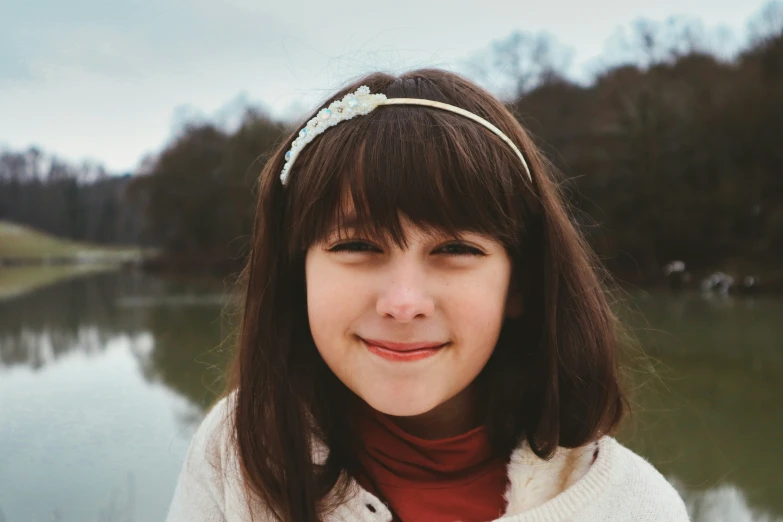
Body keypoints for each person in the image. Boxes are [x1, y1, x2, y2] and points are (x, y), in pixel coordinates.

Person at [165, 68, 690, 522]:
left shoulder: (636, 508)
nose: (403, 301)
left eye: (456, 249)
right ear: (294, 271)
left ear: (521, 284)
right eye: (356, 244)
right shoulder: (239, 450)